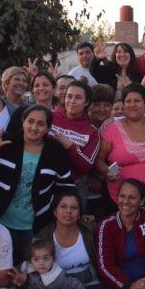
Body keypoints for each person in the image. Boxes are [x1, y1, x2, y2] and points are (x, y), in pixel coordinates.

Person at [0, 104, 76, 263]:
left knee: (30, 269)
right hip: (1, 222)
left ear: (48, 128)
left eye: (41, 124)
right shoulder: (5, 142)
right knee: (0, 266)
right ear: (23, 122)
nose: (34, 127)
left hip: (36, 226)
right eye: (30, 121)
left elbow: (66, 187)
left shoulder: (56, 151)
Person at [36, 191, 105, 289]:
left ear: (80, 213)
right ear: (55, 211)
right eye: (63, 206)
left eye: (74, 208)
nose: (68, 211)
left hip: (90, 286)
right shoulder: (45, 235)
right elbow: (33, 266)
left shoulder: (90, 231)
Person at [98, 84, 145, 204]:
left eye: (137, 101)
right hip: (121, 200)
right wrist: (107, 172)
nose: (132, 105)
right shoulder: (111, 129)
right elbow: (99, 160)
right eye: (128, 101)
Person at [51, 80, 100, 213]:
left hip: (74, 186)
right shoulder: (50, 116)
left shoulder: (92, 131)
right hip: (46, 179)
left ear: (87, 102)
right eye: (69, 96)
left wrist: (69, 145)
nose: (72, 101)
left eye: (78, 97)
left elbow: (86, 165)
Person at [7, 70, 57, 135]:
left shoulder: (61, 115)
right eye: (37, 85)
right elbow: (10, 138)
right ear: (32, 90)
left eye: (45, 85)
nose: (41, 88)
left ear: (54, 88)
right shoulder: (21, 112)